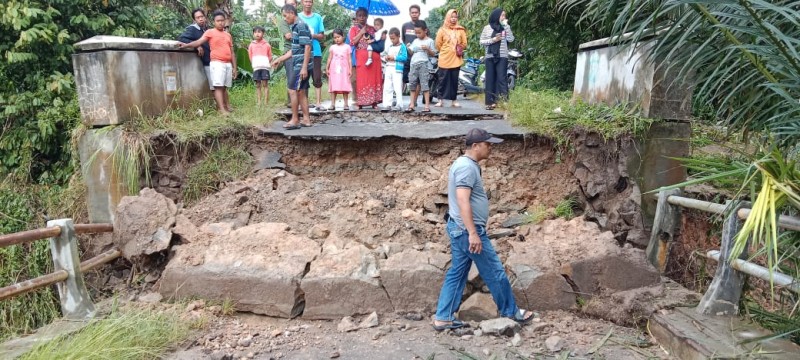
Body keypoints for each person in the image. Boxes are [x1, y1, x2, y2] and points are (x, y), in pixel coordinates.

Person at [432, 128, 537, 331]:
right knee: (494, 270)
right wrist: (472, 232)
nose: (491, 147)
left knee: (458, 272)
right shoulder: (466, 168)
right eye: (488, 144)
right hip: (466, 231)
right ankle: (511, 312)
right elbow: (463, 200)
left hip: (459, 228)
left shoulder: (465, 165)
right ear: (475, 146)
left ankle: (443, 317)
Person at [178, 10, 237, 116]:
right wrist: (190, 46)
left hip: (225, 63)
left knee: (224, 87)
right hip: (213, 62)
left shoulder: (225, 34)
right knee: (217, 86)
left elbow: (232, 52)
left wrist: (234, 67)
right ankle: (221, 109)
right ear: (214, 21)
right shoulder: (201, 30)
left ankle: (226, 106)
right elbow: (195, 41)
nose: (220, 22)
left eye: (222, 20)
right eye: (198, 17)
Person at [271, 4, 313, 129]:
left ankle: (295, 119)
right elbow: (294, 50)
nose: (284, 19)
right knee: (301, 92)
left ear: (291, 13)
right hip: (299, 63)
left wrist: (304, 67)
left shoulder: (300, 25)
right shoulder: (295, 26)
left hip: (300, 65)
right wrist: (279, 59)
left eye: (285, 15)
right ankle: (306, 119)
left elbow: (308, 46)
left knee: (292, 90)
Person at [480, 8, 514, 110]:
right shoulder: (487, 28)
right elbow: (481, 41)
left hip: (502, 56)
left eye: (505, 16)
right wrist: (493, 40)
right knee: (490, 79)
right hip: (490, 56)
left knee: (502, 78)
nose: (504, 18)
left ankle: (504, 102)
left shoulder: (505, 27)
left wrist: (506, 26)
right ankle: (490, 103)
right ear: (496, 16)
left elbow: (511, 39)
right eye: (502, 15)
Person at [349, 7, 383, 109]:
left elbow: (377, 40)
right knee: (361, 79)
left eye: (364, 15)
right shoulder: (353, 29)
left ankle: (374, 102)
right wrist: (361, 32)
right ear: (356, 17)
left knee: (374, 79)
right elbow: (352, 42)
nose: (362, 17)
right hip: (361, 56)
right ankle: (360, 102)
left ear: (367, 16)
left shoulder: (372, 29)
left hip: (374, 57)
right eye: (359, 15)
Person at [435, 9, 467, 108]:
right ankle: (440, 100)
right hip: (444, 58)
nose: (453, 19)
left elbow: (464, 43)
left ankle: (454, 100)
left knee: (454, 80)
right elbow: (438, 44)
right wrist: (446, 50)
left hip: (456, 59)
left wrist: (457, 48)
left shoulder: (460, 30)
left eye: (455, 17)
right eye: (451, 17)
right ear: (448, 17)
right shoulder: (442, 30)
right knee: (442, 80)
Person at [298, 0, 326, 110]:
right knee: (302, 77)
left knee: (317, 76)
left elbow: (322, 35)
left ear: (312, 3)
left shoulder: (318, 17)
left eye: (310, 1)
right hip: (301, 51)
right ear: (302, 3)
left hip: (316, 51)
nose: (308, 3)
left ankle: (318, 102)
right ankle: (304, 103)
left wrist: (311, 35)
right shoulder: (298, 16)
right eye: (306, 1)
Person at [178, 9, 213, 91]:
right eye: (198, 18)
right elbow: (181, 38)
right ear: (194, 20)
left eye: (202, 16)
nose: (200, 19)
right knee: (214, 87)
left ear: (205, 17)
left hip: (212, 61)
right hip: (206, 62)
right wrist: (196, 45)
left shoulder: (205, 29)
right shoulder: (192, 29)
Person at [405, 20, 436, 113]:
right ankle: (412, 104)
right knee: (412, 85)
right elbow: (411, 52)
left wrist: (428, 49)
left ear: (425, 31)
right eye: (416, 33)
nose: (417, 34)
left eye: (419, 32)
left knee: (424, 85)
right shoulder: (415, 41)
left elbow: (433, 54)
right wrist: (408, 48)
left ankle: (427, 105)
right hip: (413, 64)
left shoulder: (430, 41)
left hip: (424, 64)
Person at [380, 28, 407, 111]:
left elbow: (404, 58)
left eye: (393, 38)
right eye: (391, 38)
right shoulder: (390, 46)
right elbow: (383, 54)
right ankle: (387, 104)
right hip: (388, 68)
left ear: (399, 36)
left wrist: (394, 57)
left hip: (397, 69)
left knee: (397, 87)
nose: (392, 40)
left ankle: (399, 104)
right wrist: (386, 58)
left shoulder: (402, 46)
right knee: (387, 87)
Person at [326, 29, 352, 111]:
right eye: (335, 37)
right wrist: (327, 68)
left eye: (338, 37)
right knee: (334, 85)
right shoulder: (332, 47)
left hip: (344, 69)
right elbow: (329, 58)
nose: (337, 39)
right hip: (334, 69)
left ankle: (346, 104)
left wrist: (350, 69)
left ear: (343, 36)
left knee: (344, 85)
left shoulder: (347, 47)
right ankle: (332, 104)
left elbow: (349, 59)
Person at [277, 0, 297, 108]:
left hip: (300, 52)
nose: (291, 6)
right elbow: (288, 36)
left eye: (293, 4)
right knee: (291, 79)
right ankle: (291, 103)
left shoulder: (300, 21)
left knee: (302, 80)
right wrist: (301, 36)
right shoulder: (283, 21)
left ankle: (302, 102)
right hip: (289, 51)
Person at [249, 26, 273, 106]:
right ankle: (259, 102)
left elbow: (270, 57)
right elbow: (250, 56)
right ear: (253, 34)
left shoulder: (267, 45)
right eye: (255, 32)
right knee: (258, 85)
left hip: (265, 67)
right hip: (256, 67)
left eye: (259, 32)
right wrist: (255, 63)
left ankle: (266, 103)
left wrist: (265, 63)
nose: (257, 34)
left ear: (263, 34)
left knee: (265, 85)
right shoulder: (251, 45)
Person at [401, 5, 422, 90]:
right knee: (404, 78)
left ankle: (414, 101)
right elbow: (403, 39)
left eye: (416, 12)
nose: (414, 14)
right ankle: (400, 100)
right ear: (409, 13)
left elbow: (426, 38)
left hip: (419, 57)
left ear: (419, 13)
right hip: (407, 57)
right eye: (412, 12)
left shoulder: (423, 25)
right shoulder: (405, 26)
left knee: (417, 80)